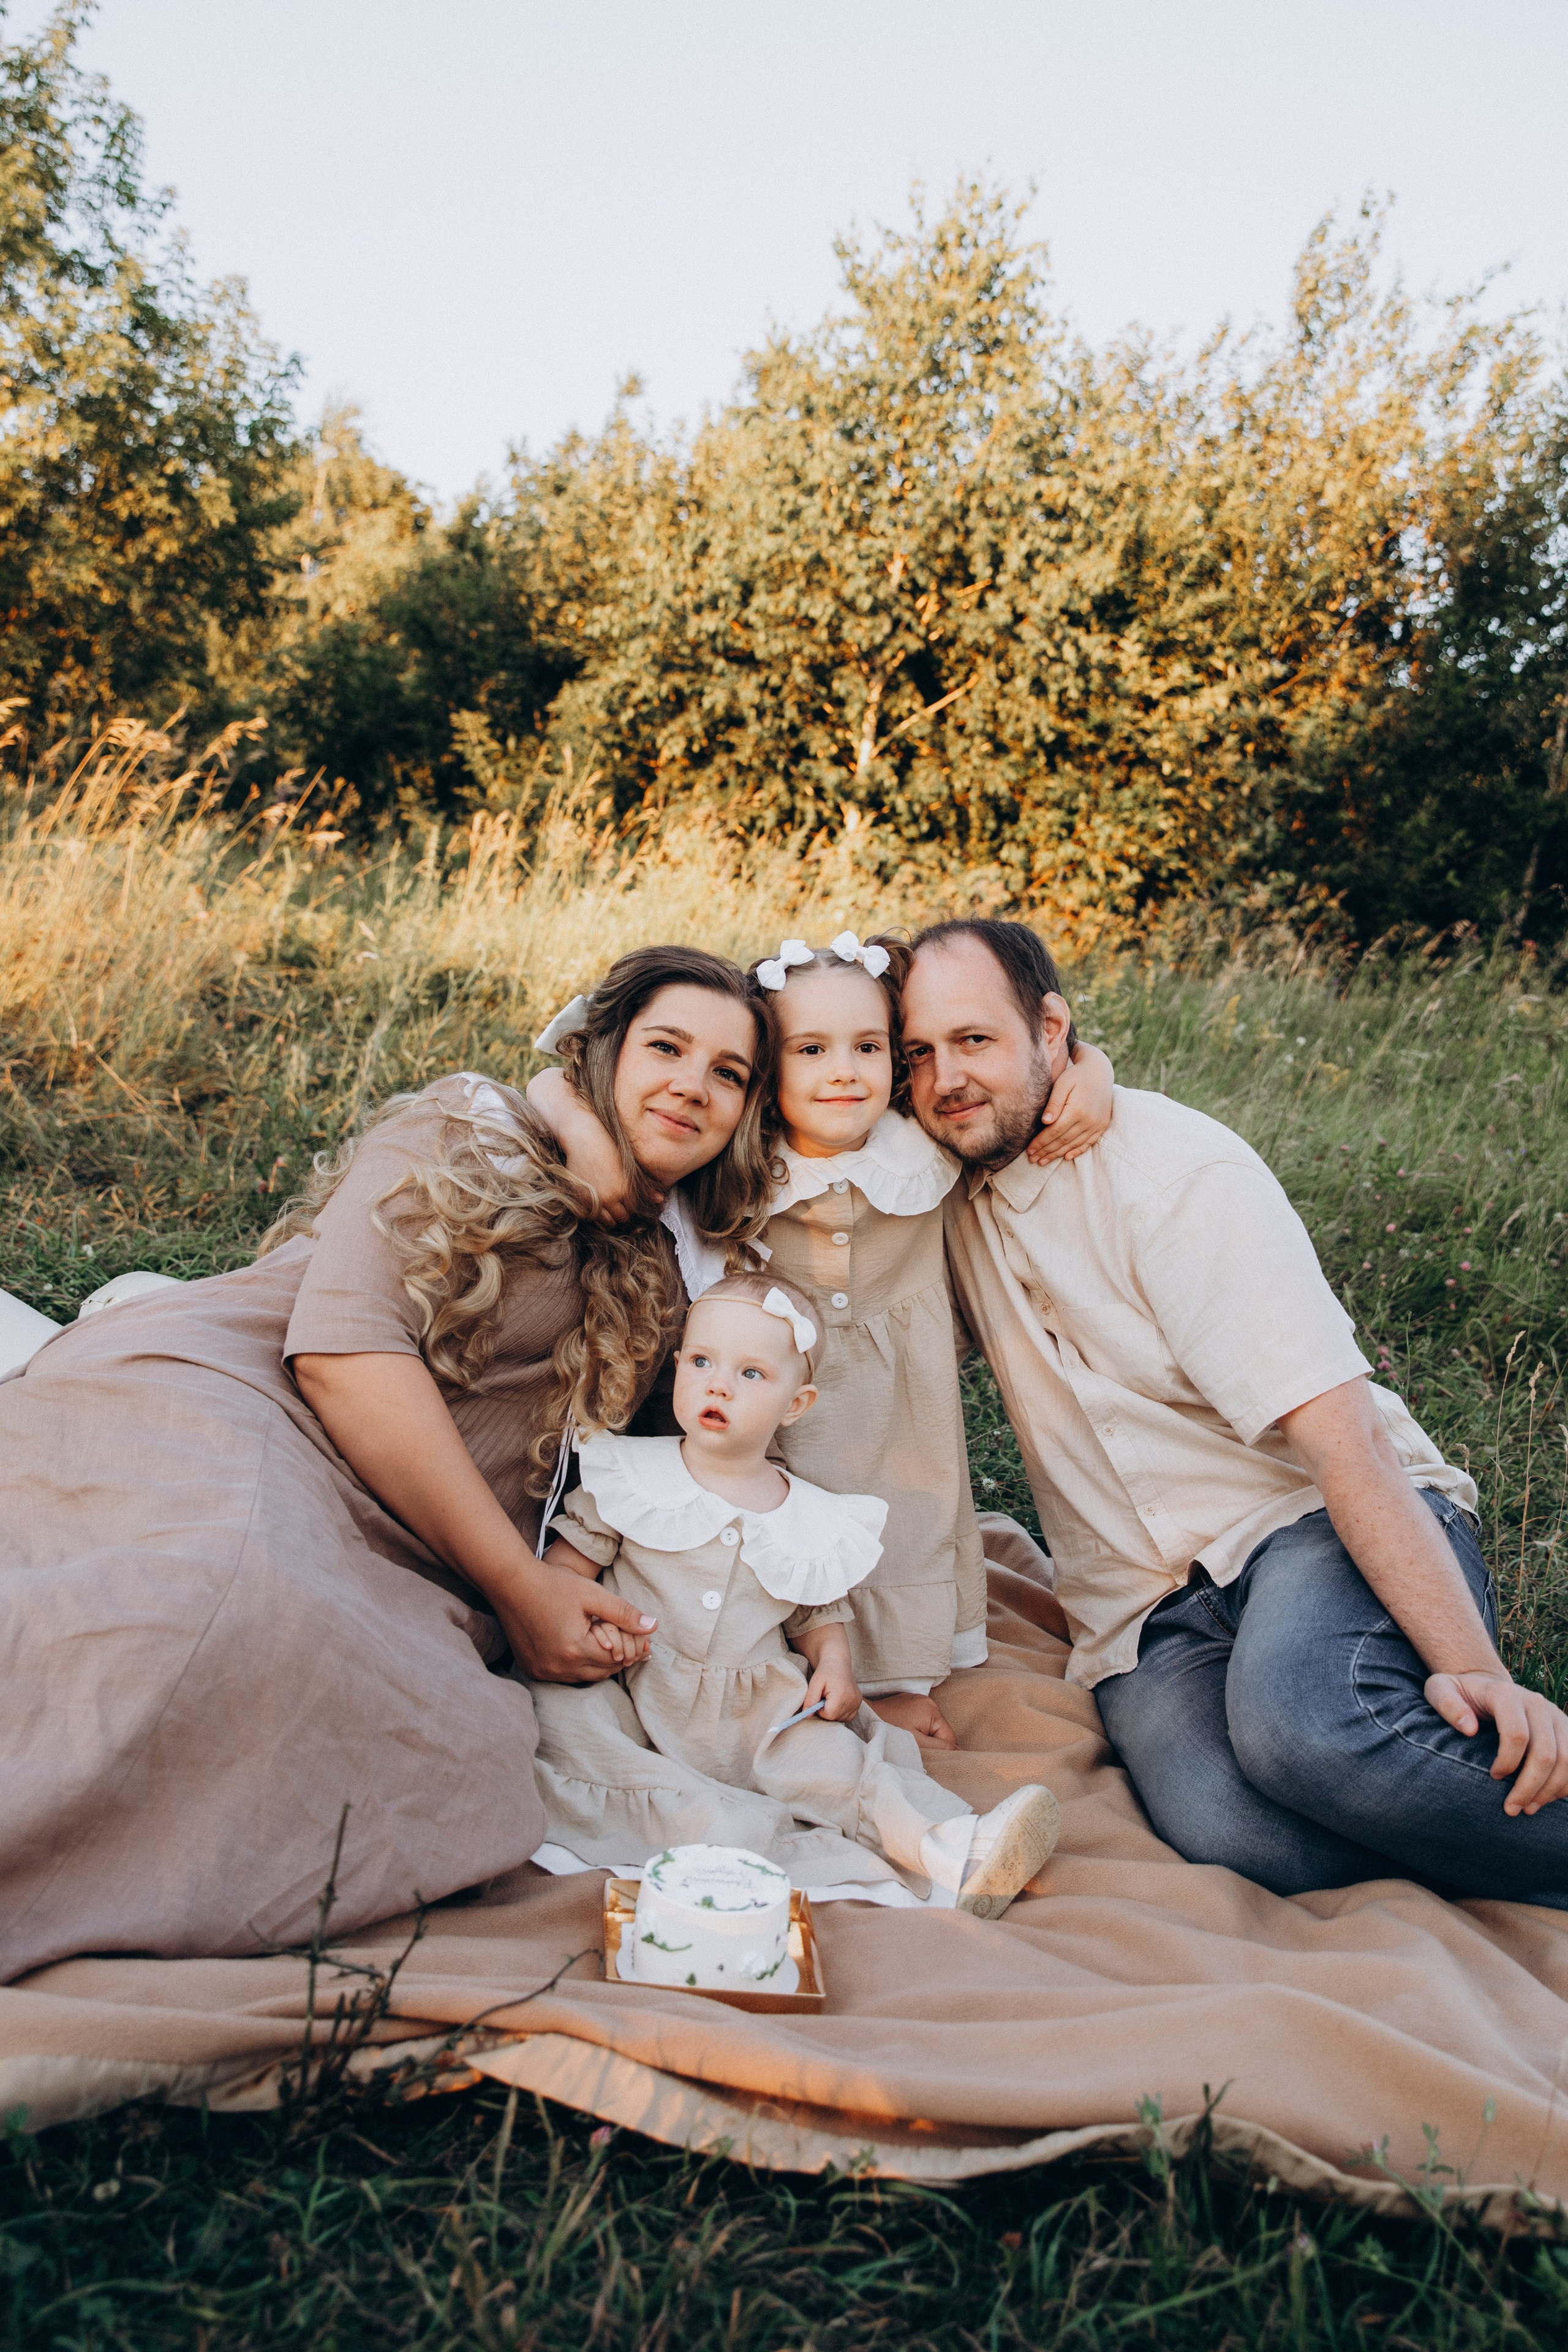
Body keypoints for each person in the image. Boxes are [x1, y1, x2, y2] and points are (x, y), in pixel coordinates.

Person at [0, 945, 777, 1978]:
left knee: (414, 1724)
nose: (692, 1083)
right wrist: (518, 1590)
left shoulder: (680, 1273)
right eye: (666, 1048)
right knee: (208, 1601)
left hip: (400, 1534)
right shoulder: (471, 1129)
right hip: (248, 1398)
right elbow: (340, 1355)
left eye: (728, 1073)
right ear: (603, 1054)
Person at [900, 917, 1568, 1908]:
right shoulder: (932, 1190)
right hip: (1144, 1611)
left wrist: (1476, 1670)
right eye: (918, 1054)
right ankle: (1451, 1829)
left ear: (1052, 1030)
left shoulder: (1173, 1177)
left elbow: (1348, 1448)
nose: (946, 1077)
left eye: (975, 1041)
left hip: (1304, 1525)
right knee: (1240, 1834)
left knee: (1307, 1729)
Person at [528, 932, 1116, 1749]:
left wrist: (1094, 1068)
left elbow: (1023, 1072)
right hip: (783, 1405)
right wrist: (583, 1134)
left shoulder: (921, 1142)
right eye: (811, 1050)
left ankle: (897, 1678)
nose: (845, 1071)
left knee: (904, 1518)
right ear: (770, 1071)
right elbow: (565, 1063)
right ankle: (778, 1660)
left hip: (899, 1401)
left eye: (869, 1047)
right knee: (782, 1515)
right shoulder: (737, 1159)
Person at [530, 1271, 1062, 1915]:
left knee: (836, 1767)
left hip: (758, 1709)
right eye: (702, 1362)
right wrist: (593, 1629)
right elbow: (563, 1575)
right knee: (570, 1727)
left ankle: (950, 1849)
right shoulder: (633, 1478)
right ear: (678, 1370)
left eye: (751, 1373)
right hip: (636, 1685)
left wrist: (834, 1665)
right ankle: (698, 1825)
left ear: (796, 1404)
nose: (719, 1384)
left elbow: (815, 1609)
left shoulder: (806, 1514)